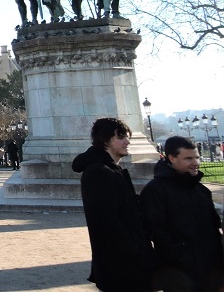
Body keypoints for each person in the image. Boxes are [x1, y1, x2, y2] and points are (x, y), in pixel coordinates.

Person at [71, 118, 154, 291]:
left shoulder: (109, 170)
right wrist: (135, 247)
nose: (127, 141)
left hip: (127, 261)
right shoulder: (99, 173)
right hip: (121, 266)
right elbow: (107, 223)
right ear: (105, 140)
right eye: (121, 137)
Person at [141, 136, 224, 291]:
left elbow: (214, 229)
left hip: (211, 273)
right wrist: (182, 258)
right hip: (179, 276)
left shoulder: (201, 190)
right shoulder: (155, 191)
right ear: (171, 158)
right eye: (188, 158)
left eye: (197, 157)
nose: (196, 163)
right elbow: (157, 232)